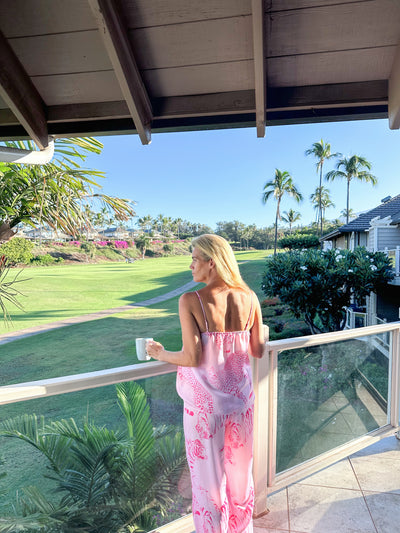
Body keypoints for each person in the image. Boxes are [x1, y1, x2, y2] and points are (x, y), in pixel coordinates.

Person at [146, 234, 265, 533]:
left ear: (212, 262)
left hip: (204, 411)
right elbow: (259, 350)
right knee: (240, 479)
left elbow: (191, 356)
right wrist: (260, 329)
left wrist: (160, 354)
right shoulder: (250, 297)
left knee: (207, 488)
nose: (190, 265)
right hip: (241, 407)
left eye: (195, 259)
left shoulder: (191, 300)